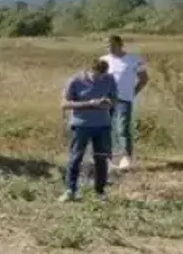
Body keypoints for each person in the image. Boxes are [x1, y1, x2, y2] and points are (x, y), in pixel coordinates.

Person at [60, 58, 118, 201]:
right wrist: (89, 103)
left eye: (103, 76)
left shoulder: (109, 79)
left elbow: (115, 99)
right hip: (81, 126)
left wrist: (109, 103)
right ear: (90, 70)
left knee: (101, 159)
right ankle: (70, 190)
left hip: (102, 126)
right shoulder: (75, 81)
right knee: (76, 157)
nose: (100, 79)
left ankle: (100, 191)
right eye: (97, 76)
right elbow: (65, 104)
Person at [99, 35, 149, 171]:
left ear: (120, 44)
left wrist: (133, 92)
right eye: (107, 46)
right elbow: (98, 79)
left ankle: (126, 158)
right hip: (105, 100)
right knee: (105, 129)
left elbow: (144, 79)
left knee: (122, 128)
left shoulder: (134, 59)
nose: (110, 48)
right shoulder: (103, 60)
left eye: (112, 45)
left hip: (124, 99)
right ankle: (107, 158)